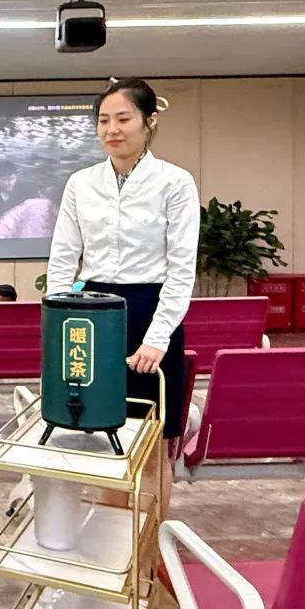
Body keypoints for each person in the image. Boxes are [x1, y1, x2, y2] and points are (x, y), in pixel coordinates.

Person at [46, 77, 200, 479]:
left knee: (150, 439)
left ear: (149, 121)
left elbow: (181, 268)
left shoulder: (175, 182)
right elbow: (63, 257)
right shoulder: (81, 183)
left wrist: (157, 338)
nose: (112, 129)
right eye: (103, 120)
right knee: (98, 432)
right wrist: (60, 322)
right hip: (92, 314)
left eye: (123, 118)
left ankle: (148, 521)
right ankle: (109, 518)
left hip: (151, 309)